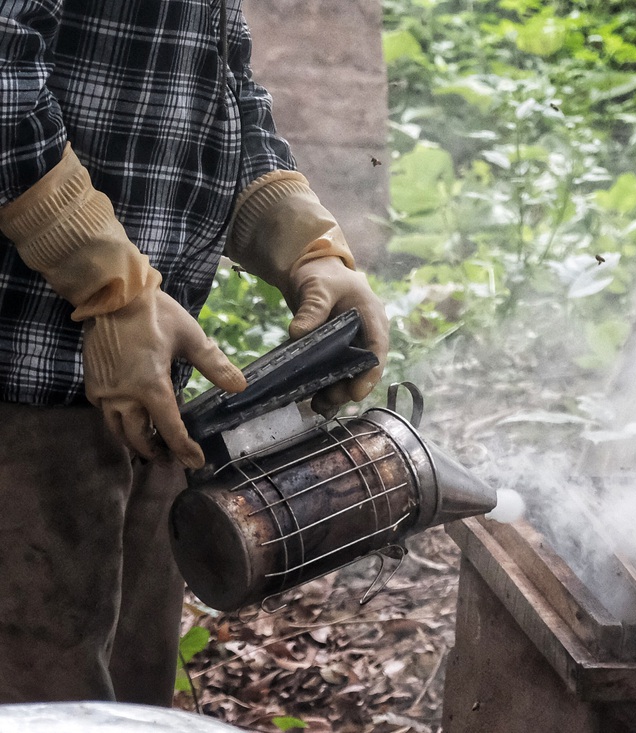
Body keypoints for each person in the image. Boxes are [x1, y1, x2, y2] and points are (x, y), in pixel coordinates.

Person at [0, 0, 389, 706]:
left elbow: (218, 91)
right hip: (21, 394)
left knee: (127, 703)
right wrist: (111, 289)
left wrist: (305, 242)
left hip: (141, 399)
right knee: (41, 704)